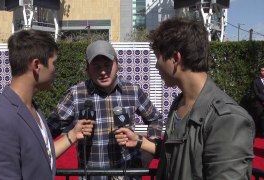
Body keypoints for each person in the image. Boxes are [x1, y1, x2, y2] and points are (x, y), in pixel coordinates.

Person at [114, 17, 255, 180]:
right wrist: (139, 141)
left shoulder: (227, 119)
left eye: (158, 57)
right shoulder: (180, 103)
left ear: (175, 58)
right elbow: (179, 154)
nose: (156, 65)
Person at [0, 29, 94, 179]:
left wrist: (73, 134)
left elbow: (42, 156)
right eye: (54, 63)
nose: (55, 70)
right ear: (37, 65)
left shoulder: (32, 108)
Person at [48, 40, 162, 180]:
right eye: (96, 67)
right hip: (92, 176)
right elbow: (48, 130)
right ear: (87, 69)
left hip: (128, 175)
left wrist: (149, 150)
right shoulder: (76, 94)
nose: (103, 72)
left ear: (117, 65)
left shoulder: (132, 90)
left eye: (107, 65)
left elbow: (155, 118)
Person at [252, 64, 264, 137]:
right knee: (260, 119)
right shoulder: (255, 81)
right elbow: (256, 93)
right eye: (262, 70)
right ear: (259, 72)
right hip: (259, 103)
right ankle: (260, 133)